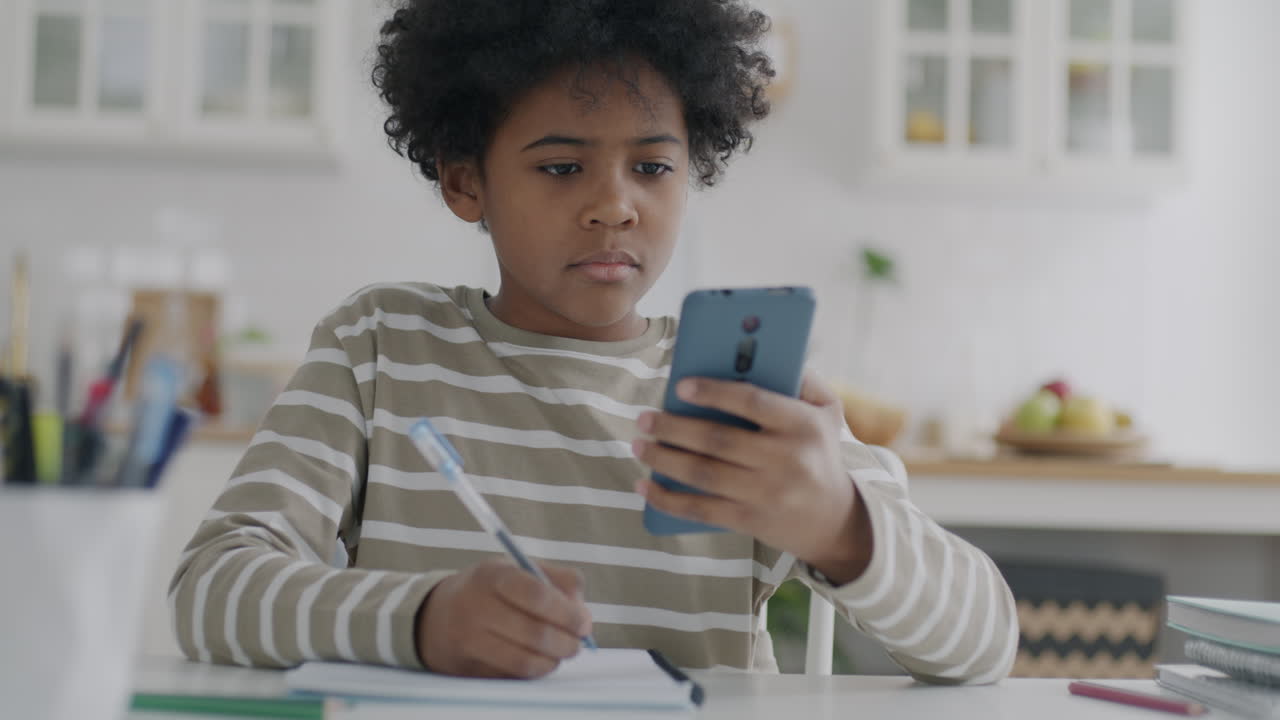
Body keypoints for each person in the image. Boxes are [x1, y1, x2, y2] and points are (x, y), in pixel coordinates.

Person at [170, 0, 1018, 683]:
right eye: (561, 167)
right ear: (465, 181)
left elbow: (986, 642)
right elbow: (211, 587)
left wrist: (840, 526)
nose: (615, 205)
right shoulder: (380, 348)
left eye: (652, 167)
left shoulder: (743, 393)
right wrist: (420, 622)